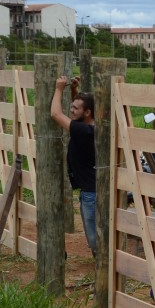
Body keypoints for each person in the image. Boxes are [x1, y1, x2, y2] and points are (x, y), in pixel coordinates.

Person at [51, 76, 98, 257]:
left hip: (91, 193)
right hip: (91, 190)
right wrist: (74, 92)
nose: (71, 109)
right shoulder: (89, 125)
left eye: (75, 108)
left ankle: (102, 263)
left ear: (87, 112)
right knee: (94, 232)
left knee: (94, 237)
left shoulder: (85, 132)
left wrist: (59, 89)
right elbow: (77, 114)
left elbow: (55, 114)